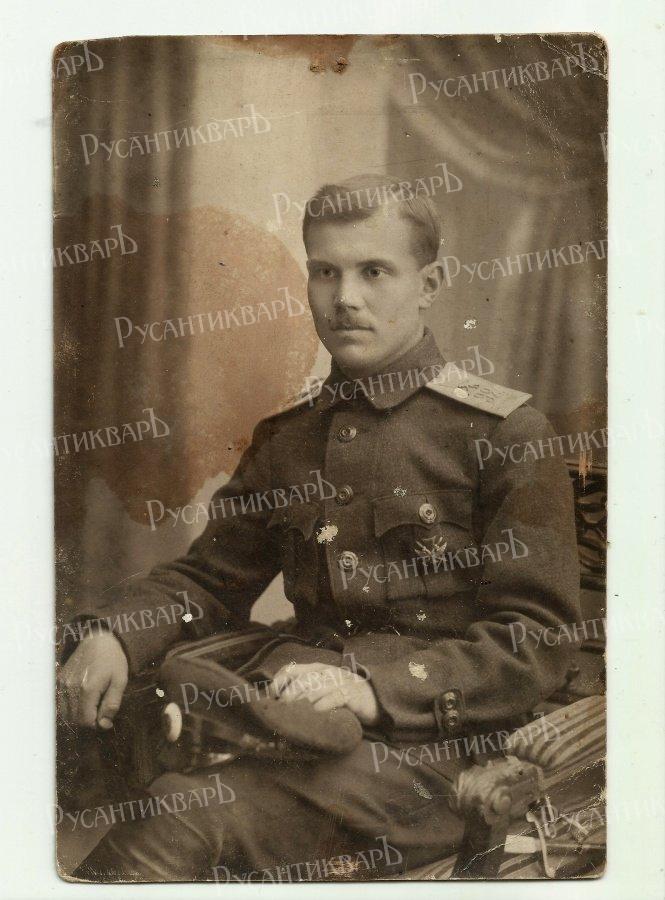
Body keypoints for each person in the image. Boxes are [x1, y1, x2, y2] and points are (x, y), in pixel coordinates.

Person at [59, 173, 580, 882]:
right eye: (325, 272)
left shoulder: (504, 433)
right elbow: (208, 579)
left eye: (374, 272)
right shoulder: (290, 437)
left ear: (429, 284)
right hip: (290, 716)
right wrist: (115, 634)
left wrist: (372, 688)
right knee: (81, 731)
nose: (345, 298)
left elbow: (535, 637)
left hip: (430, 753)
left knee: (184, 810)